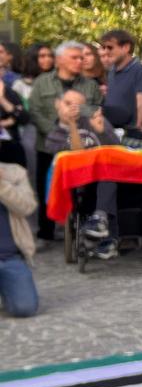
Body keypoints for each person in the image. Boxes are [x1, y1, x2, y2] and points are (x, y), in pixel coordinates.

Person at [27, 41, 103, 243]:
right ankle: (46, 232)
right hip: (49, 147)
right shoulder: (42, 82)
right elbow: (35, 111)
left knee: (88, 189)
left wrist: (78, 112)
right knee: (47, 188)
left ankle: (85, 229)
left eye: (81, 57)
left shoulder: (90, 85)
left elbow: (97, 110)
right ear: (60, 60)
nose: (80, 61)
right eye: (74, 57)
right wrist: (56, 132)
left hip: (83, 148)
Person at [41, 90, 122, 259]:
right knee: (104, 176)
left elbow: (117, 149)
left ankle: (101, 221)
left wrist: (101, 131)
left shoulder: (94, 120)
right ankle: (106, 234)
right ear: (58, 104)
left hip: (106, 177)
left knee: (108, 172)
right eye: (68, 103)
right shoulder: (54, 135)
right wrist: (72, 124)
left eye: (78, 105)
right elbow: (77, 152)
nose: (73, 108)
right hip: (80, 183)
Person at [0, 160, 39, 317]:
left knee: (25, 307)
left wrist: (2, 185)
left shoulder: (15, 172)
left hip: (10, 257)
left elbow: (28, 207)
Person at [98, 29, 142, 136]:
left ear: (126, 47)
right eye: (104, 47)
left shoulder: (140, 70)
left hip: (131, 131)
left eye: (110, 47)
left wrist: (138, 126)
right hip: (112, 130)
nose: (106, 51)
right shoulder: (111, 71)